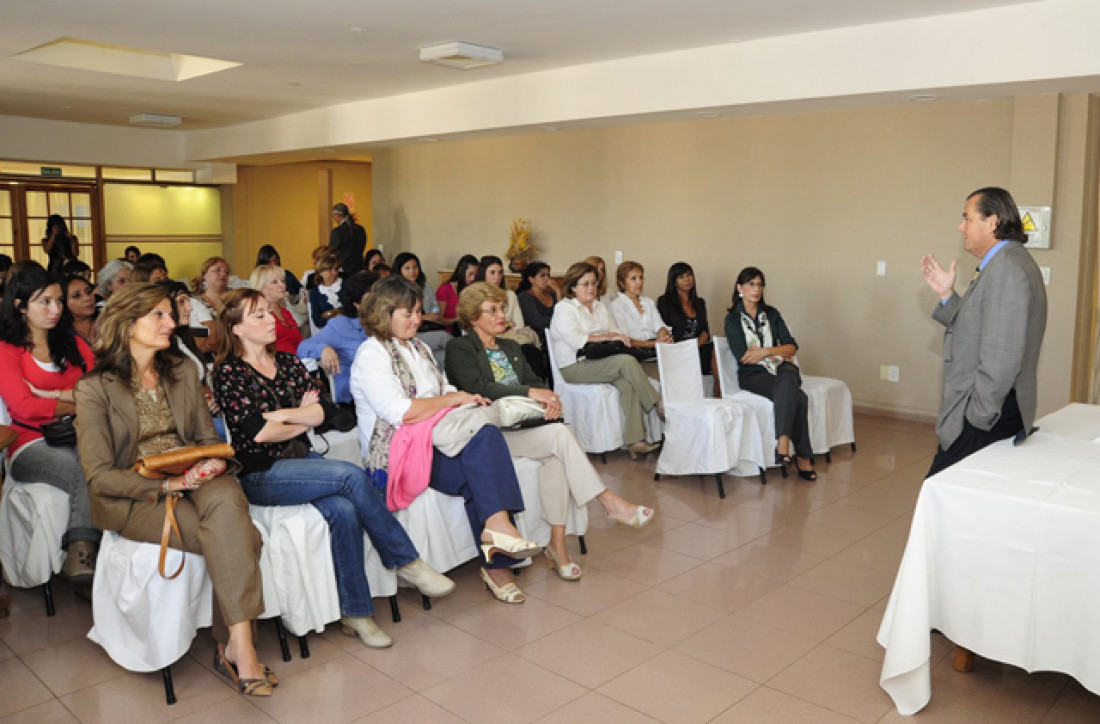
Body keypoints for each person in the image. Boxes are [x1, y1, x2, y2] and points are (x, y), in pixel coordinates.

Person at [213, 288, 455, 649]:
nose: (270, 320)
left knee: (344, 510)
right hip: (260, 473)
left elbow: (327, 413)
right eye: (259, 315)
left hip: (302, 461)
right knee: (349, 475)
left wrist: (287, 418)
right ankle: (406, 559)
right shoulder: (229, 372)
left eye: (269, 312)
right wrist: (301, 418)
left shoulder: (289, 362)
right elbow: (259, 434)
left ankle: (356, 614)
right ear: (236, 329)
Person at [74, 284, 272, 696]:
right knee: (245, 536)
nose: (173, 323)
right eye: (159, 316)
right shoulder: (95, 388)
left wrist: (215, 461)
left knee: (227, 495)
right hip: (139, 492)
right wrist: (170, 484)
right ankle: (238, 647)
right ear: (128, 325)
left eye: (170, 313)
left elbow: (205, 437)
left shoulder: (181, 371)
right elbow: (99, 476)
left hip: (195, 475)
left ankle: (237, 644)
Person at [350, 276, 541, 604]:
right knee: (483, 450)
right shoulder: (372, 354)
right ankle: (498, 550)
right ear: (384, 314)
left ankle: (496, 536)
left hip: (436, 438)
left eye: (419, 312)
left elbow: (442, 388)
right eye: (408, 314)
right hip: (400, 452)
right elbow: (401, 412)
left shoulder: (418, 346)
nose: (417, 320)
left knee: (483, 445)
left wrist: (463, 397)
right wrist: (451, 402)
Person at [446, 283, 655, 579]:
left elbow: (538, 382)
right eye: (492, 310)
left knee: (557, 454)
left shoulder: (511, 347)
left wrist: (550, 400)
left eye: (502, 308)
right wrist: (531, 392)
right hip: (488, 434)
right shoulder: (460, 348)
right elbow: (479, 387)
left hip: (523, 427)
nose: (501, 315)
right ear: (471, 317)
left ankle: (558, 546)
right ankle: (608, 500)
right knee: (560, 437)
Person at [921, 186, 1047, 478]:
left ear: (992, 223)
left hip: (987, 414)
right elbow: (980, 328)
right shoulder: (1004, 263)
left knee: (940, 489)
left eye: (967, 218)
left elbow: (1002, 357)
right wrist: (947, 295)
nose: (960, 226)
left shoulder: (1007, 269)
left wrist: (977, 417)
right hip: (994, 409)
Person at [0, 262, 99, 580]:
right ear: (20, 306)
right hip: (29, 443)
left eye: (58, 301)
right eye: (44, 301)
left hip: (80, 433)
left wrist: (49, 394)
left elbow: (99, 389)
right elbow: (25, 408)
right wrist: (76, 399)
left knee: (99, 457)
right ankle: (83, 553)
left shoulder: (73, 343)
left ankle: (106, 551)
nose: (55, 309)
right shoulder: (7, 350)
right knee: (82, 465)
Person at [548, 262, 662, 459]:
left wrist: (617, 336)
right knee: (626, 362)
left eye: (593, 283)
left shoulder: (600, 307)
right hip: (574, 366)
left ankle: (635, 442)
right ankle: (657, 403)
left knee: (628, 383)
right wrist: (606, 336)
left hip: (600, 361)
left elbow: (615, 331)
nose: (591, 288)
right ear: (573, 287)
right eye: (585, 284)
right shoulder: (564, 308)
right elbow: (577, 340)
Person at [724, 266, 816, 480]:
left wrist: (765, 351)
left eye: (759, 285)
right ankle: (803, 457)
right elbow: (743, 355)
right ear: (740, 288)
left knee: (789, 370)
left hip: (780, 370)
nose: (756, 290)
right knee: (799, 397)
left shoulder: (771, 314)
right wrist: (777, 352)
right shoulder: (732, 319)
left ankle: (782, 442)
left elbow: (792, 347)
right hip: (753, 375)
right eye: (751, 284)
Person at [298, 271, 375, 405]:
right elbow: (302, 348)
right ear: (356, 303)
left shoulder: (388, 324)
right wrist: (323, 349)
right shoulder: (342, 326)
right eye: (372, 300)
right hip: (353, 400)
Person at [159, 280, 224, 439]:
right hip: (184, 422)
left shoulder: (183, 340)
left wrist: (212, 399)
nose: (190, 307)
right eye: (182, 302)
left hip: (203, 414)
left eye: (188, 300)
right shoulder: (162, 347)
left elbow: (200, 380)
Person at [478, 255, 546, 379]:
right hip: (487, 339)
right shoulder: (476, 297)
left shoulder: (510, 295)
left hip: (511, 337)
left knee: (531, 352)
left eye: (500, 273)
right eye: (492, 273)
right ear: (483, 274)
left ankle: (537, 389)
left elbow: (519, 324)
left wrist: (503, 325)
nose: (497, 277)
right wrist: (506, 324)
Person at [391, 251, 450, 366]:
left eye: (415, 267)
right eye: (407, 268)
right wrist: (423, 317)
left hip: (429, 330)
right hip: (412, 334)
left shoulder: (427, 289)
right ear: (399, 271)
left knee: (444, 356)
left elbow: (436, 313)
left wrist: (429, 316)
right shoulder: (395, 291)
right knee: (445, 337)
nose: (412, 271)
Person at [657, 261, 714, 376]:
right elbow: (663, 329)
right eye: (681, 277)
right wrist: (684, 349)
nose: (687, 279)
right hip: (676, 349)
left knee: (715, 348)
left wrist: (693, 347)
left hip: (696, 348)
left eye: (689, 275)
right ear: (673, 282)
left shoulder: (699, 303)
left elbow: (705, 332)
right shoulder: (665, 302)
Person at [608, 261, 673, 354]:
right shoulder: (616, 305)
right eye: (633, 278)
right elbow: (625, 339)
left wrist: (664, 339)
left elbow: (660, 327)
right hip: (634, 350)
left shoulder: (649, 302)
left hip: (655, 346)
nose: (639, 282)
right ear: (622, 283)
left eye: (641, 277)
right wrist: (655, 343)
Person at [250, 264, 302, 355]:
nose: (282, 285)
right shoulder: (257, 315)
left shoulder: (285, 312)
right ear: (261, 287)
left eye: (282, 281)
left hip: (297, 361)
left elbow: (299, 342)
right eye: (274, 282)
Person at [189, 256, 231, 340]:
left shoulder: (235, 297)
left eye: (226, 272)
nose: (223, 274)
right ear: (204, 274)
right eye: (218, 270)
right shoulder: (193, 300)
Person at [435, 254, 479, 333]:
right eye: (470, 274)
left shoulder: (472, 290)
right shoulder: (445, 289)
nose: (473, 278)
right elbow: (439, 319)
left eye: (475, 275)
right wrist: (456, 320)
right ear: (461, 270)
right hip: (448, 332)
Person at [516, 261, 557, 344]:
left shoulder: (552, 294)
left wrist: (558, 291)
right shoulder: (525, 296)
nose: (547, 279)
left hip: (556, 333)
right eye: (542, 276)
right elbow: (537, 321)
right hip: (538, 337)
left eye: (548, 275)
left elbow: (562, 312)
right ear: (531, 279)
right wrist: (560, 322)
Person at [329, 203, 367, 277]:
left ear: (338, 215)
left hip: (343, 271)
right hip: (359, 268)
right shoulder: (361, 229)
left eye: (333, 215)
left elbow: (331, 252)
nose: (333, 218)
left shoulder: (337, 231)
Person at [307, 253, 343, 330]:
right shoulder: (315, 293)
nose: (334, 272)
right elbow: (317, 321)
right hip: (329, 330)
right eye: (330, 270)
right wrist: (335, 314)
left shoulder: (346, 284)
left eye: (336, 269)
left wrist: (330, 313)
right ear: (320, 272)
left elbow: (352, 309)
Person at [64, 274, 99, 346]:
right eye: (77, 296)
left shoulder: (107, 322)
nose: (87, 298)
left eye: (88, 292)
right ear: (64, 303)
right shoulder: (62, 335)